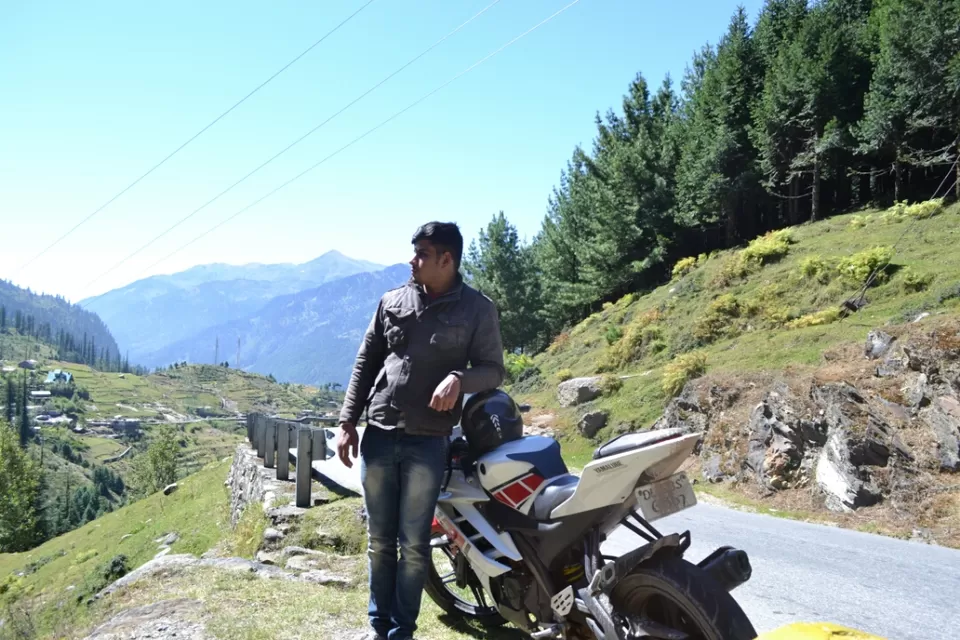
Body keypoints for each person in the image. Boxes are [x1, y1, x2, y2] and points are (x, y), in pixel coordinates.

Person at [337, 221, 505, 640]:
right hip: (379, 432)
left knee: (413, 545)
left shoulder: (477, 309)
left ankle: (401, 631)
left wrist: (458, 379)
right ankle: (379, 627)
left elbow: (493, 370)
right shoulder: (391, 300)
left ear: (446, 260)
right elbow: (365, 363)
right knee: (379, 540)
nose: (412, 262)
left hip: (429, 441)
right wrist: (346, 423)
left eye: (422, 255)